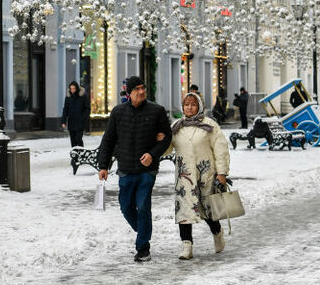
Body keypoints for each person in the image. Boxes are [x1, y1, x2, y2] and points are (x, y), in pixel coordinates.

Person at [97, 75, 173, 262]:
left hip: (147, 170)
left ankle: (143, 248)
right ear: (129, 93)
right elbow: (108, 140)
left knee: (143, 206)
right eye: (136, 89)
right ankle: (144, 229)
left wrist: (152, 154)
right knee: (125, 206)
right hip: (126, 169)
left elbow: (167, 138)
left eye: (142, 88)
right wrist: (103, 165)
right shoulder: (118, 112)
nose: (141, 91)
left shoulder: (157, 111)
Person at [167, 92, 231, 261]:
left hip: (206, 175)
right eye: (186, 104)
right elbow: (167, 148)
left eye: (193, 104)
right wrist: (160, 139)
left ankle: (217, 232)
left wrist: (222, 173)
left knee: (208, 210)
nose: (189, 108)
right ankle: (186, 245)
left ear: (199, 107)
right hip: (184, 177)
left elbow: (221, 149)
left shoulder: (209, 126)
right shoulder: (176, 127)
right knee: (184, 211)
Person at [61, 81, 89, 148]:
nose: (72, 90)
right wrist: (63, 121)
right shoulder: (68, 97)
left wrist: (82, 118)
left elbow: (87, 109)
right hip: (71, 122)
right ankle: (74, 156)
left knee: (78, 139)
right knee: (73, 141)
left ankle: (81, 155)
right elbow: (65, 110)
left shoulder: (83, 96)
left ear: (77, 88)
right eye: (71, 89)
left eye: (74, 88)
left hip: (80, 122)